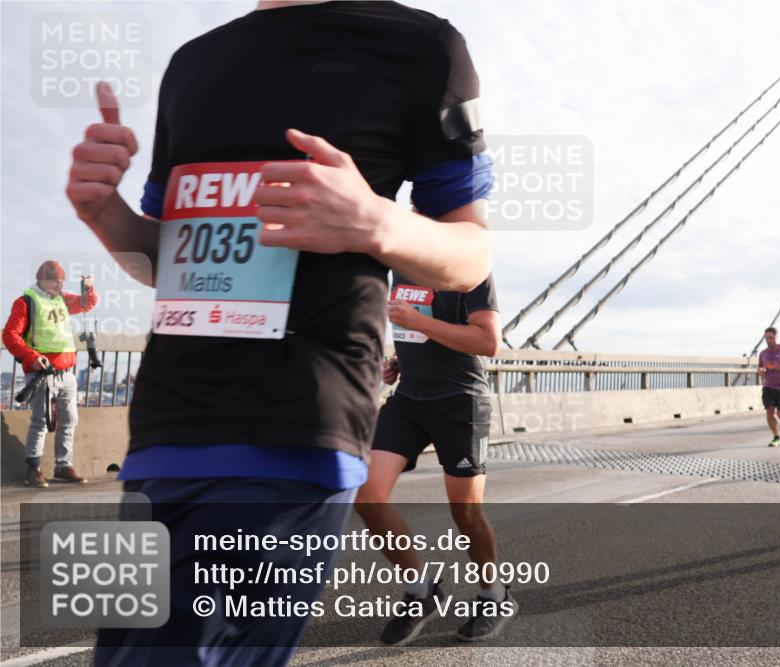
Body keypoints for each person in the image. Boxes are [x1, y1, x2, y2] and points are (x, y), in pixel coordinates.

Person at [66, 1, 493, 664]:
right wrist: (105, 214)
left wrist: (374, 222)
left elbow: (472, 256)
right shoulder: (192, 64)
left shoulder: (421, 45)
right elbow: (164, 259)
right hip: (163, 436)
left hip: (293, 431)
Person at [355, 273, 512, 645]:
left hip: (461, 401)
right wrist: (397, 359)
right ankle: (421, 590)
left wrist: (417, 321)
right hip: (409, 399)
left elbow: (488, 342)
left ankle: (494, 595)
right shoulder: (400, 271)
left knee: (466, 512)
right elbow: (418, 333)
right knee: (367, 496)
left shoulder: (470, 270)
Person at [2, 260, 98, 487]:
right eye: (56, 281)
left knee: (70, 420)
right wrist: (30, 357)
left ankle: (63, 466)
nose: (60, 285)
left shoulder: (61, 299)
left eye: (62, 281)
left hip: (67, 373)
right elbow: (9, 334)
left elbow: (88, 303)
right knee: (40, 422)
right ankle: (33, 469)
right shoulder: (26, 302)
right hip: (43, 373)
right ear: (42, 280)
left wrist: (89, 289)